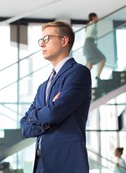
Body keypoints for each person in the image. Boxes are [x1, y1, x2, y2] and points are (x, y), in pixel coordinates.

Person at [20, 21, 92, 173]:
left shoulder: (79, 73)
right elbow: (25, 128)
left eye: (46, 39)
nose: (41, 44)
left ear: (64, 41)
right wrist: (46, 116)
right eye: (41, 40)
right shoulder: (42, 87)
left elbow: (54, 113)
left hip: (66, 161)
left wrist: (40, 115)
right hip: (41, 163)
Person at [83, 12, 106, 79]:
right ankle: (98, 76)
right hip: (89, 43)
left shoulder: (90, 24)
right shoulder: (92, 23)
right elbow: (90, 33)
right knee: (102, 59)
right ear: (93, 17)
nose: (98, 18)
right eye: (96, 17)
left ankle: (81, 77)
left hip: (89, 43)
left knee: (90, 63)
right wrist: (94, 22)